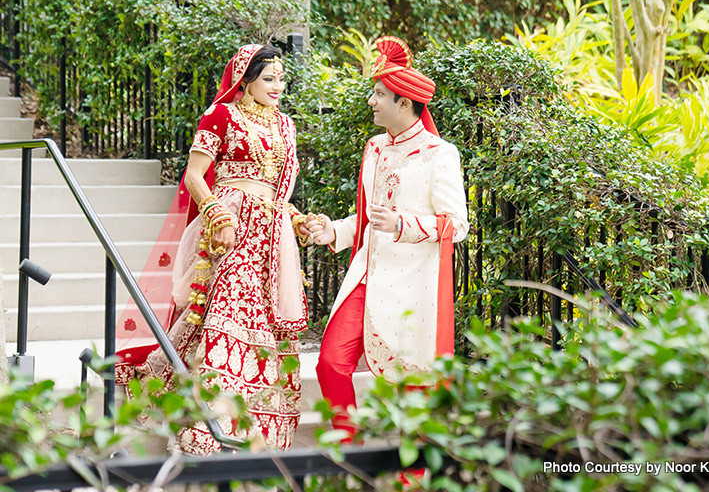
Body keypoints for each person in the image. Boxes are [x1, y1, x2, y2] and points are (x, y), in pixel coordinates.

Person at [114, 44, 313, 454]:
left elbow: (276, 193)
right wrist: (218, 216)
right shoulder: (220, 115)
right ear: (246, 81)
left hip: (271, 238)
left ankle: (254, 425)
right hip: (229, 228)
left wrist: (296, 220)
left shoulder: (286, 126)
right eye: (268, 79)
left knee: (264, 325)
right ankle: (209, 426)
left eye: (280, 79)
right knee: (227, 314)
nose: (277, 87)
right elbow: (194, 176)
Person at [307, 36, 469, 439]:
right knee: (330, 363)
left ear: (404, 103)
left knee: (412, 383)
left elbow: (457, 224)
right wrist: (335, 231)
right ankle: (348, 446)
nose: (372, 101)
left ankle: (410, 478)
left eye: (379, 94)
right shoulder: (375, 148)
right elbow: (368, 217)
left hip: (413, 286)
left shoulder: (439, 154)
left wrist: (403, 225)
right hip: (366, 275)